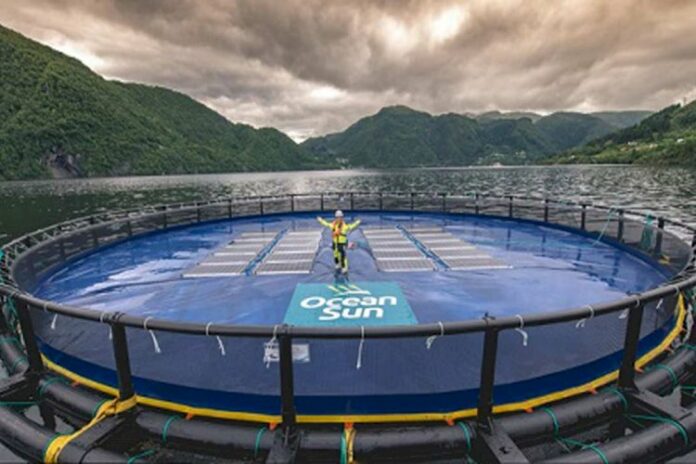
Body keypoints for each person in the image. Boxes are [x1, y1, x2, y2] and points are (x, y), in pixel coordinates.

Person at [317, 210, 361, 274]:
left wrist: (357, 222)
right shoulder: (333, 225)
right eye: (337, 217)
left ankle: (344, 267)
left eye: (340, 217)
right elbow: (326, 224)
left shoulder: (344, 226)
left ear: (342, 218)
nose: (339, 219)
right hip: (335, 242)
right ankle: (337, 264)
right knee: (335, 254)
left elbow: (351, 226)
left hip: (342, 243)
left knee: (342, 255)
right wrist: (320, 220)